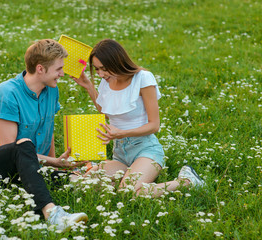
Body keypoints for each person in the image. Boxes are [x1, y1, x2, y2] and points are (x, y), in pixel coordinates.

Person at [0, 39, 88, 231]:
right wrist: (53, 162)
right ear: (40, 69)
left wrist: (53, 160)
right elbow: (11, 148)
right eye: (58, 69)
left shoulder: (52, 90)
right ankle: (53, 214)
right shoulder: (6, 93)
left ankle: (4, 190)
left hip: (30, 164)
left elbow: (48, 127)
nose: (62, 73)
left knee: (79, 181)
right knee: (23, 144)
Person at [72, 39, 205, 197]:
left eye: (104, 69)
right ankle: (111, 171)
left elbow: (154, 125)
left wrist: (121, 133)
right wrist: (88, 86)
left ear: (117, 62)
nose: (100, 74)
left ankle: (187, 182)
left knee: (129, 192)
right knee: (85, 187)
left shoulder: (143, 78)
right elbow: (106, 112)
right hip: (120, 153)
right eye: (97, 69)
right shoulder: (106, 81)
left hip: (146, 150)